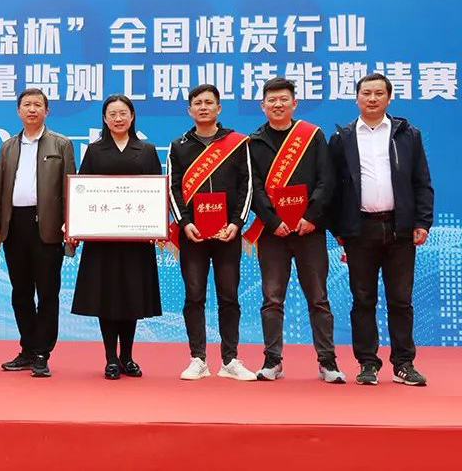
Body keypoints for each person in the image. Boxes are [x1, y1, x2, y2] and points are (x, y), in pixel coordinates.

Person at [329, 73, 433, 386]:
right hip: (360, 230)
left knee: (401, 299)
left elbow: (421, 181)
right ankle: (367, 363)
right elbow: (333, 188)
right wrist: (338, 228)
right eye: (366, 93)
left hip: (400, 229)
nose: (372, 99)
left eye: (378, 93)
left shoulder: (407, 134)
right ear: (356, 99)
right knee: (363, 299)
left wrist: (422, 222)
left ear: (388, 98)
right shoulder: (343, 137)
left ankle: (403, 363)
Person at [245, 77, 345, 383]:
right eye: (271, 100)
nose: (277, 105)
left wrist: (312, 216)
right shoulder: (253, 142)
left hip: (308, 231)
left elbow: (326, 180)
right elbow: (252, 187)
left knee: (318, 298)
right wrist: (272, 221)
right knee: (272, 299)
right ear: (262, 106)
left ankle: (328, 362)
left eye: (283, 99)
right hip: (272, 234)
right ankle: (272, 360)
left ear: (294, 103)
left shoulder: (312, 136)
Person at [70, 94, 162, 379]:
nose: (118, 118)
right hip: (103, 239)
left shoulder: (146, 150)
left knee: (131, 297)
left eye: (123, 113)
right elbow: (82, 191)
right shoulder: (94, 151)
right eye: (112, 114)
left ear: (132, 117)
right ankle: (110, 358)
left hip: (136, 239)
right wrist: (75, 225)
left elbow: (156, 193)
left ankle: (127, 357)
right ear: (105, 119)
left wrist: (157, 226)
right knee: (106, 297)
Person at [168, 84, 256, 381]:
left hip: (227, 234)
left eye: (209, 103)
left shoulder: (237, 143)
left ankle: (230, 360)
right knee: (194, 296)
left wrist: (236, 222)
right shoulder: (178, 146)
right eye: (198, 103)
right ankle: (198, 359)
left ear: (219, 108)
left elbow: (247, 185)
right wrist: (184, 223)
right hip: (192, 235)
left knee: (228, 296)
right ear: (189, 110)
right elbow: (173, 188)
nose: (203, 107)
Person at [0, 88, 75, 377]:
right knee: (21, 292)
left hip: (48, 226)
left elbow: (70, 188)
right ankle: (27, 348)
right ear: (18, 111)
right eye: (27, 105)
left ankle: (41, 353)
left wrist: (71, 225)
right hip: (15, 225)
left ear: (46, 111)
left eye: (38, 105)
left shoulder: (61, 144)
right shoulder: (8, 147)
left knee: (47, 293)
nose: (32, 109)